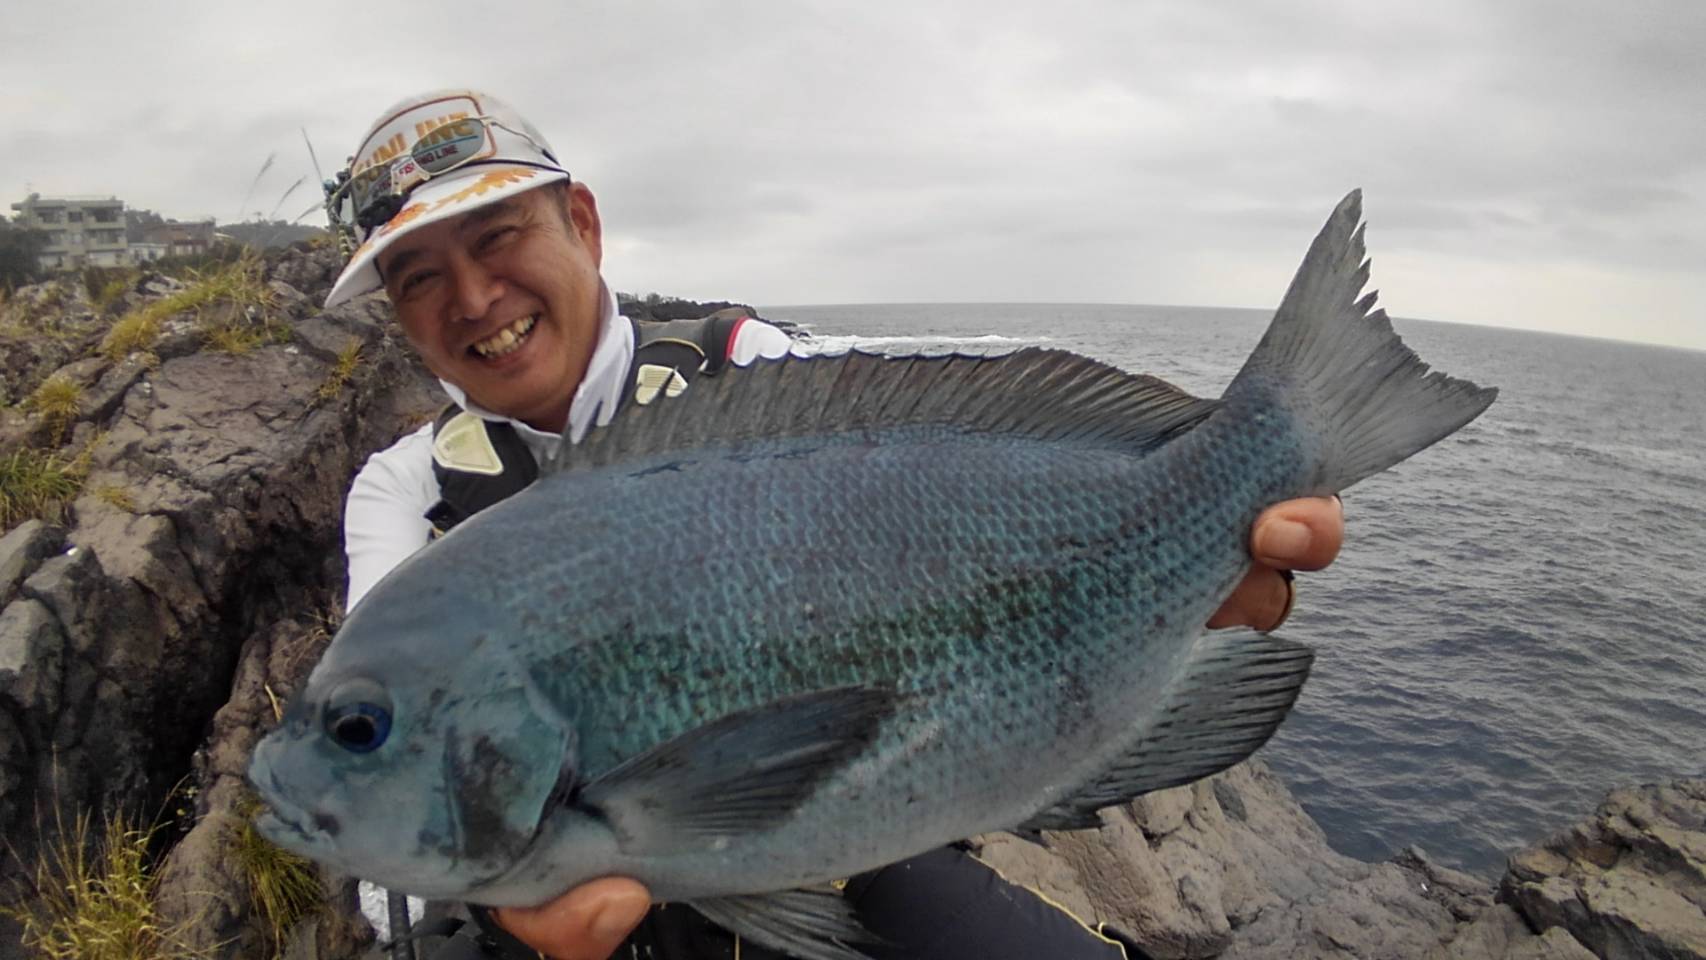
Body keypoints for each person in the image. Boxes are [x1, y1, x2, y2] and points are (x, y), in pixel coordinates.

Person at [324, 89, 1347, 960]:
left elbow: (932, 446)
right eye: (418, 277)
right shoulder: (403, 494)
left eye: (497, 237)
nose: (471, 296)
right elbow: (399, 737)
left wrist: (1199, 524)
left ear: (582, 226)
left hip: (856, 853)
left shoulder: (751, 372)